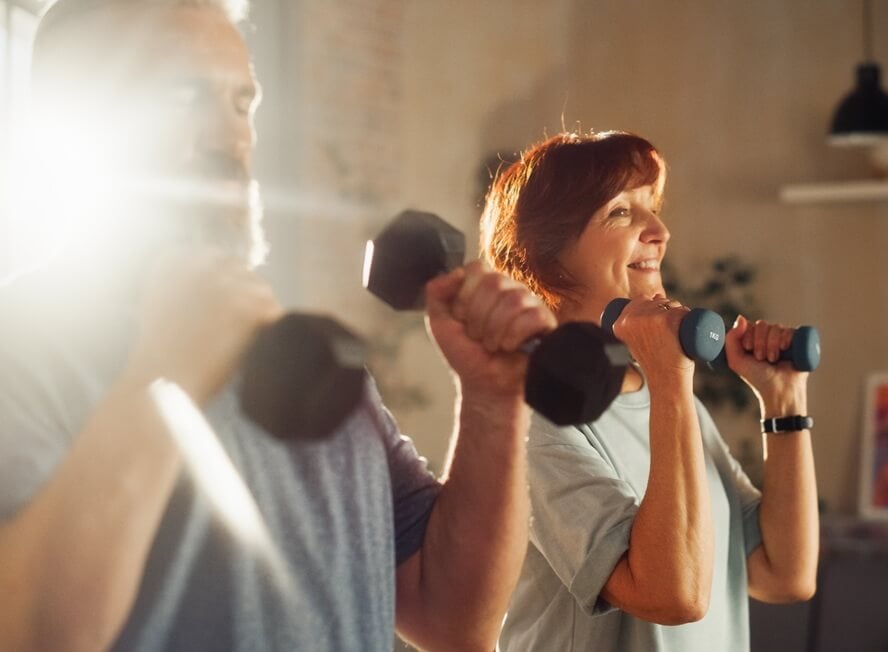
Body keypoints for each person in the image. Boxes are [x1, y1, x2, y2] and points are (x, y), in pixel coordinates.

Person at [0, 1, 551, 649]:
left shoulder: (303, 353)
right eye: (184, 95)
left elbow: (454, 619)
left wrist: (492, 404)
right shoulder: (21, 348)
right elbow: (28, 631)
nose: (230, 139)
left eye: (241, 103)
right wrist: (162, 374)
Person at [481, 131, 820, 650]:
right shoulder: (533, 423)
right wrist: (670, 382)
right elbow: (672, 597)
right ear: (547, 256)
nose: (659, 231)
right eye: (620, 212)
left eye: (653, 208)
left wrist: (783, 402)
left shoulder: (668, 402)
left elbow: (782, 574)